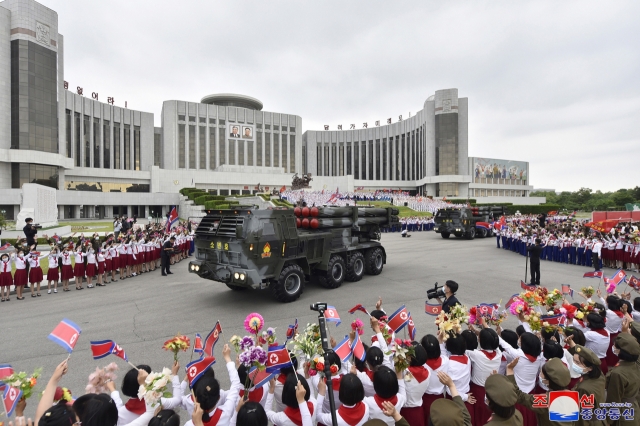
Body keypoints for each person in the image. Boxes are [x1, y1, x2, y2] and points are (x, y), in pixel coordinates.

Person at [605, 334, 640, 426]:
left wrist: (609, 421)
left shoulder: (618, 373)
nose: (613, 347)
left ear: (621, 351)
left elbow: (614, 399)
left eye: (615, 346)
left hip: (622, 413)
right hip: (633, 407)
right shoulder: (634, 365)